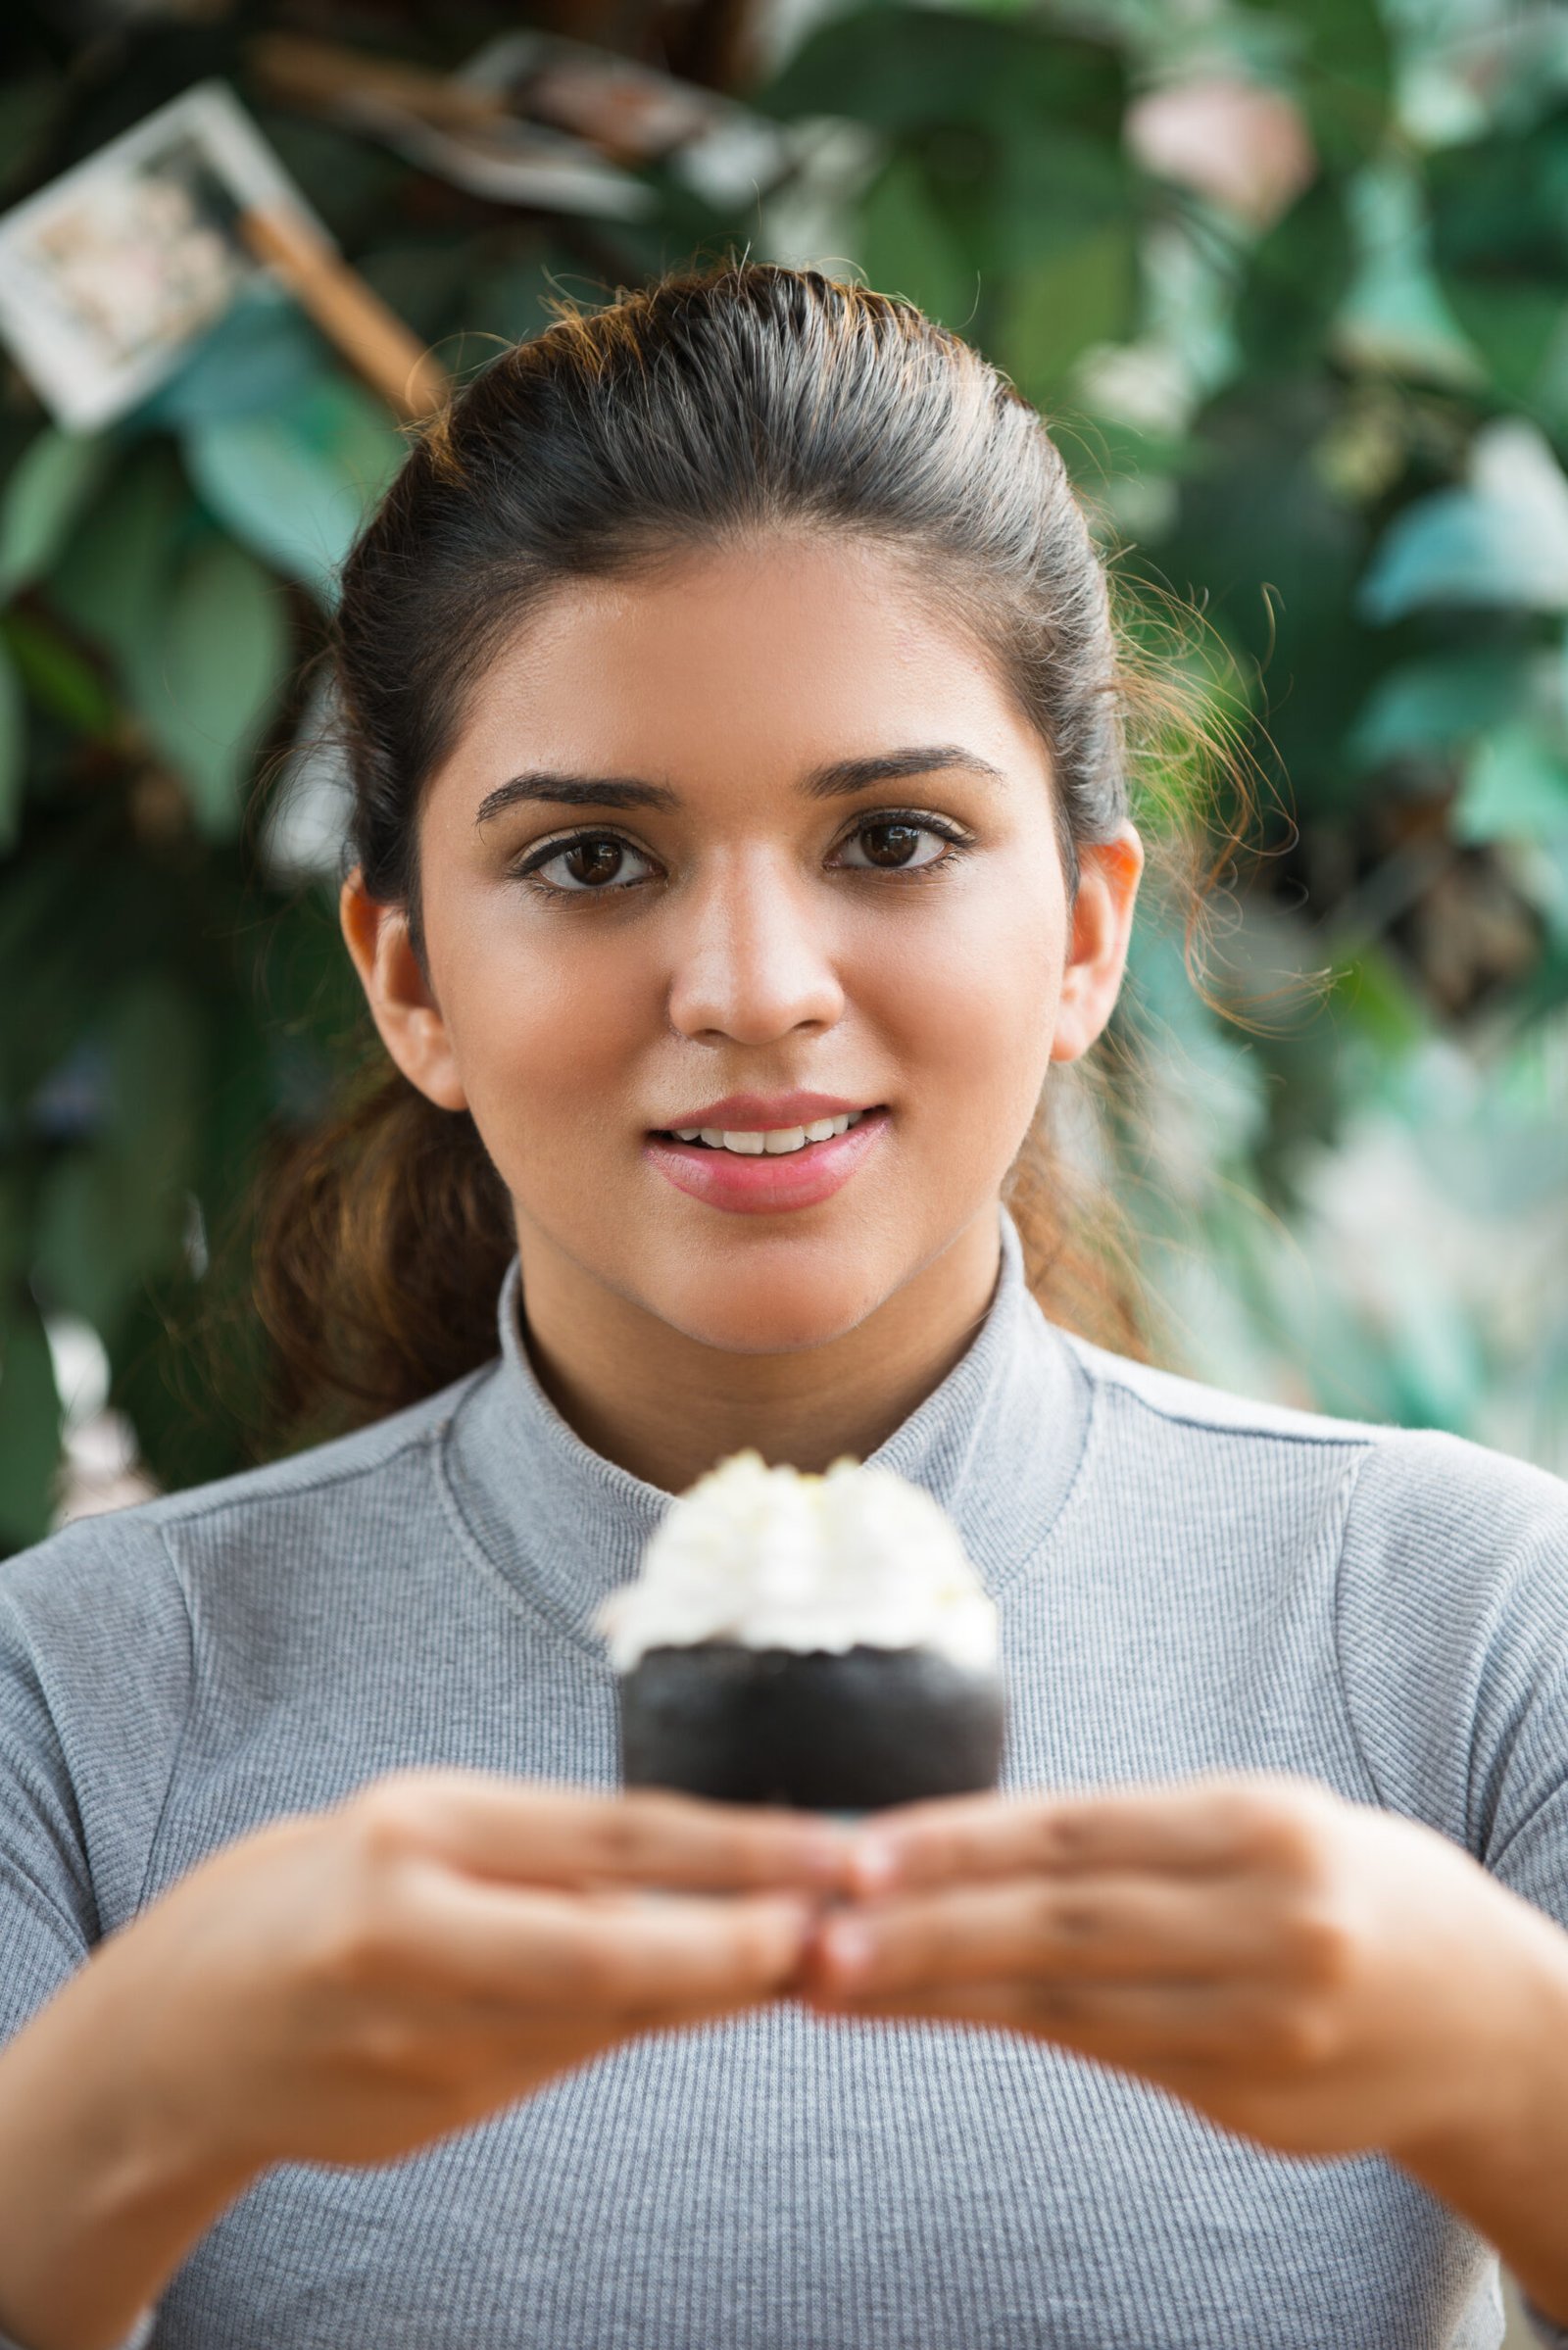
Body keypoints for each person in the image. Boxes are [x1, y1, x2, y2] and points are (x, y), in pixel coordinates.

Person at [1, 262, 1566, 2350]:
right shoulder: (77, 1704)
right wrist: (120, 2113)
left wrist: (1506, 2073)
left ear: (1087, 933)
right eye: (588, 862)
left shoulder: (1461, 1620)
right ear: (406, 977)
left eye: (893, 836)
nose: (750, 985)